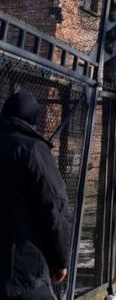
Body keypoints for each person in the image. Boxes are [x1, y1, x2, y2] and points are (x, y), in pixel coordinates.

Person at [0, 91, 72, 299]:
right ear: (33, 121)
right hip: (22, 271)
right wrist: (60, 260)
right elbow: (55, 208)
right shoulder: (33, 150)